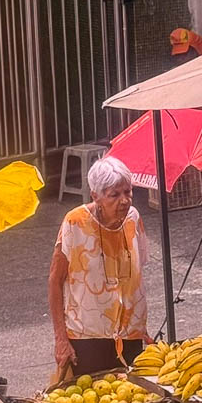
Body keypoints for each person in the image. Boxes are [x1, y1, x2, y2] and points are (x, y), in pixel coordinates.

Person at [48, 155, 150, 378]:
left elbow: (137, 276)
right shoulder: (75, 223)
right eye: (114, 195)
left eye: (128, 191)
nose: (124, 200)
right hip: (87, 338)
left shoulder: (133, 218)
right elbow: (55, 281)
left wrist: (142, 327)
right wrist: (61, 340)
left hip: (129, 336)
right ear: (96, 196)